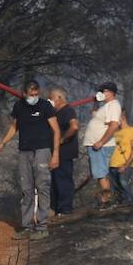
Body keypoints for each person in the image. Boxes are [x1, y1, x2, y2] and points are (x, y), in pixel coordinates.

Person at [0, 80, 62, 238]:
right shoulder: (19, 106)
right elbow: (14, 127)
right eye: (31, 95)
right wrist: (2, 143)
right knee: (26, 188)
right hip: (24, 151)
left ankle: (42, 225)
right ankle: (27, 225)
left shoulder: (45, 106)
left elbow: (56, 130)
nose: (34, 97)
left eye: (36, 94)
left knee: (43, 186)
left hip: (42, 150)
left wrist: (56, 153)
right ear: (24, 94)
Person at [83, 82, 123, 210]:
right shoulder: (105, 106)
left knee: (102, 174)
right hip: (96, 145)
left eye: (104, 91)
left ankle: (106, 202)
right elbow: (94, 115)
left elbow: (114, 125)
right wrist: (96, 101)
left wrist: (101, 142)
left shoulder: (113, 105)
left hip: (101, 146)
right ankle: (104, 200)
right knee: (99, 174)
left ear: (111, 93)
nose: (101, 93)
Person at [49, 88, 80, 216]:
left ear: (59, 98)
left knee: (63, 180)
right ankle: (56, 208)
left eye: (51, 98)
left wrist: (62, 139)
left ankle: (65, 208)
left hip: (64, 152)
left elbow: (74, 126)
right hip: (56, 152)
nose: (50, 101)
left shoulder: (67, 110)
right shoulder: (57, 113)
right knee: (55, 180)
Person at [108, 115, 133, 206]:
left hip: (124, 164)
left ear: (122, 118)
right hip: (111, 165)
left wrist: (126, 165)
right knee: (115, 188)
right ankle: (121, 205)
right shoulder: (114, 133)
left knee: (123, 183)